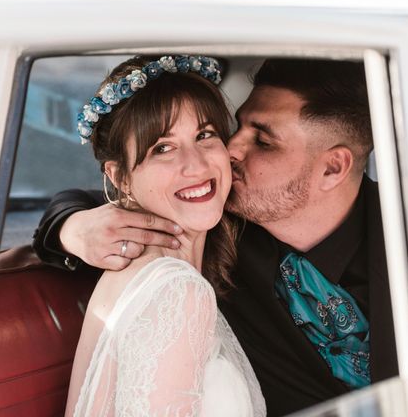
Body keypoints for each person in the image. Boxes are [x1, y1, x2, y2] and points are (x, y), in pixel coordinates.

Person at [35, 58, 408, 416]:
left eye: (263, 140)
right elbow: (124, 193)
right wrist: (72, 228)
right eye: (236, 127)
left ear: (333, 168)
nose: (229, 149)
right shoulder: (213, 226)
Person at [64, 55, 266, 416]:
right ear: (120, 177)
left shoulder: (150, 272)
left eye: (205, 135)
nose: (198, 165)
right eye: (163, 148)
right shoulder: (176, 289)